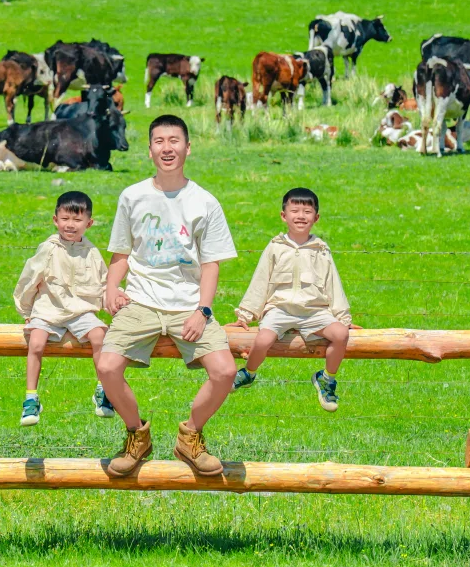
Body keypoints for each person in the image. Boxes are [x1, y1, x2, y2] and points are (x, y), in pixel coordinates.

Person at [96, 114, 237, 477]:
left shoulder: (205, 202)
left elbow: (210, 264)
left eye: (174, 140)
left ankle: (190, 435)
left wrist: (203, 311)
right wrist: (111, 288)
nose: (167, 148)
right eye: (159, 141)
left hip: (188, 305)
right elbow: (121, 255)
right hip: (140, 301)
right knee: (107, 366)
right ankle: (136, 435)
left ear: (188, 148)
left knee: (224, 371)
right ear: (149, 150)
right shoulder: (132, 196)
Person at [232, 186, 351, 410]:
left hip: (314, 312)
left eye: (307, 212)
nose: (301, 216)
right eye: (295, 210)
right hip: (280, 310)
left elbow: (332, 283)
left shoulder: (321, 249)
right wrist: (246, 315)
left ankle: (326, 379)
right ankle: (249, 372)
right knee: (263, 340)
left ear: (316, 217)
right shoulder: (275, 247)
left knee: (341, 334)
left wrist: (343, 318)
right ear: (283, 215)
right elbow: (260, 281)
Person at [13, 189, 114, 426]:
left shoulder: (91, 252)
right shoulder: (48, 249)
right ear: (55, 220)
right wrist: (27, 312)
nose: (70, 225)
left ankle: (103, 390)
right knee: (36, 342)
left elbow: (103, 283)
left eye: (77, 220)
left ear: (89, 223)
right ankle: (31, 398)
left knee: (100, 336)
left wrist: (111, 305)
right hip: (49, 309)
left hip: (81, 310)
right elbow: (29, 279)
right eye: (65, 219)